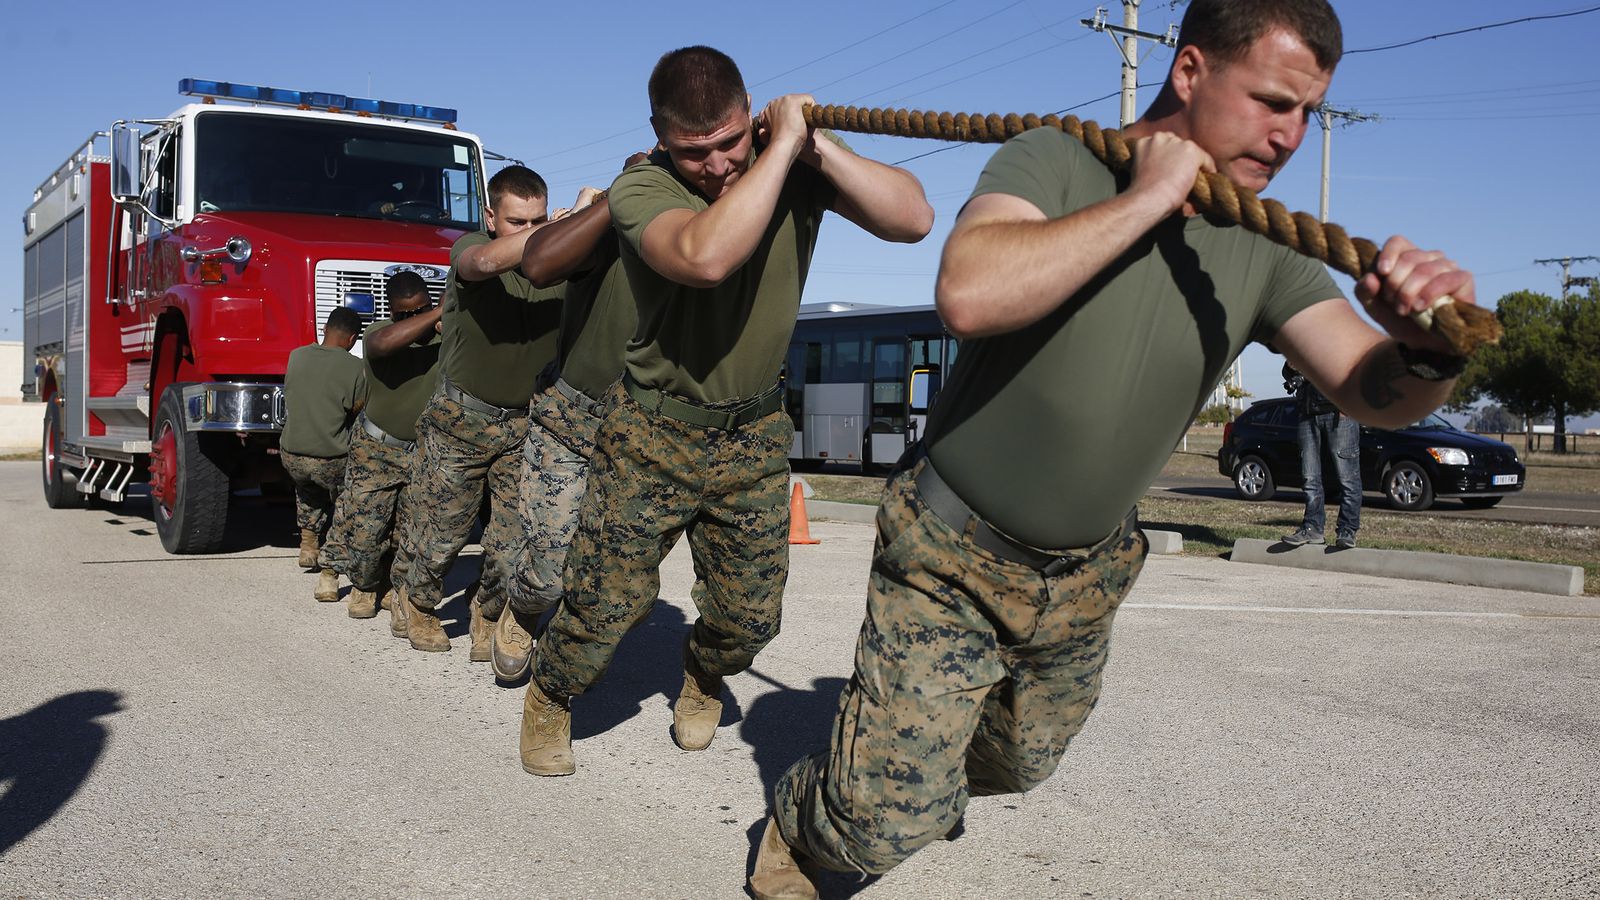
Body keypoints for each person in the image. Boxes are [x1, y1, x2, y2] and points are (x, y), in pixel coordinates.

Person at [749, 1, 1478, 895]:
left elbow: (1371, 390)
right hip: (950, 551)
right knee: (877, 831)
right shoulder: (1054, 160)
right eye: (1273, 102)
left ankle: (902, 766)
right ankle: (807, 817)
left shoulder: (1263, 246)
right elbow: (970, 293)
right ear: (1189, 72)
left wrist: (1429, 353)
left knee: (1019, 767)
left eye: (1308, 113)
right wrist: (1145, 203)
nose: (1290, 134)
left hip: (1084, 574)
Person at [519, 46, 933, 777]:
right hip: (651, 430)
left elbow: (914, 219)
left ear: (752, 117)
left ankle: (705, 674)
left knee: (749, 620)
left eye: (731, 142)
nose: (716, 166)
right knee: (604, 607)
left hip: (754, 433)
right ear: (660, 136)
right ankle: (551, 695)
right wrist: (775, 160)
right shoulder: (644, 186)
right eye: (695, 152)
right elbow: (706, 257)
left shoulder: (797, 164)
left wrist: (816, 145)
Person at [396, 166, 565, 656]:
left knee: (512, 538)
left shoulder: (558, 262)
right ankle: (419, 602)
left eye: (537, 219)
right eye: (517, 222)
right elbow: (483, 262)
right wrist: (555, 230)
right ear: (491, 217)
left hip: (524, 424)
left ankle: (487, 612)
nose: (529, 231)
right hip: (460, 421)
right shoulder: (471, 249)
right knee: (441, 532)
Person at [491, 154, 648, 683]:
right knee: (551, 567)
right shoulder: (606, 224)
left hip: (646, 429)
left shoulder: (706, 226)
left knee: (617, 578)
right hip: (573, 420)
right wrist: (602, 204)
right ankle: (524, 608)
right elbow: (536, 264)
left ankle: (565, 656)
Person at [319, 271, 442, 622]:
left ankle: (397, 590)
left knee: (410, 530)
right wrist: (434, 316)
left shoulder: (441, 337)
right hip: (377, 448)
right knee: (367, 530)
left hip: (421, 451)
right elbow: (382, 345)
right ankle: (364, 585)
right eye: (405, 315)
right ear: (392, 312)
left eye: (421, 309)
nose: (413, 319)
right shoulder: (377, 334)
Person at [280, 306, 368, 602]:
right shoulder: (354, 367)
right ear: (352, 338)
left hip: (291, 453)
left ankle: (308, 543)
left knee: (307, 486)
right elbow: (356, 408)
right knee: (344, 502)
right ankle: (329, 577)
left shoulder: (296, 356)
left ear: (326, 329)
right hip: (331, 458)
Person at [1282, 361, 1362, 548]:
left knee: (1348, 478)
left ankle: (1347, 531)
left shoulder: (1342, 338)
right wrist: (1291, 368)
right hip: (1307, 413)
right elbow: (1289, 374)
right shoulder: (1304, 340)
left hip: (1339, 413)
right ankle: (1312, 528)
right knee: (1310, 478)